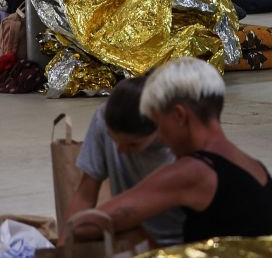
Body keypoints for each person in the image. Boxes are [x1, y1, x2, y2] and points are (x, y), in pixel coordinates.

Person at [81, 58, 272, 243]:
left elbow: (86, 225)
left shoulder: (192, 172)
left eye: (160, 125)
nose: (161, 137)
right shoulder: (253, 166)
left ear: (180, 116)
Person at [66, 77, 184, 247]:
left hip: (182, 243)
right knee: (81, 227)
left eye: (132, 144)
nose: (120, 150)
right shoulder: (103, 118)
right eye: (114, 140)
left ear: (160, 129)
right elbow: (85, 194)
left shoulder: (182, 145)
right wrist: (63, 248)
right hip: (130, 233)